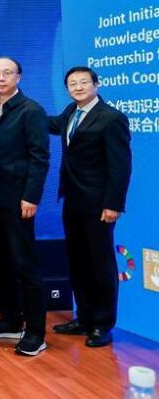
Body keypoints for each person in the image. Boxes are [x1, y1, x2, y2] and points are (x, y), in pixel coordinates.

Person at [49, 66, 131, 348]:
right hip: (72, 200)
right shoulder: (70, 112)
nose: (78, 87)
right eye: (72, 84)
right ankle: (83, 318)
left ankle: (102, 324)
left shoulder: (111, 118)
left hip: (99, 204)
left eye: (84, 82)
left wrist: (113, 204)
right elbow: (50, 125)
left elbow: (120, 166)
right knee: (79, 261)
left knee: (101, 263)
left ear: (96, 84)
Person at [0, 56, 50, 356]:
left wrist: (31, 196)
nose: (1, 78)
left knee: (25, 264)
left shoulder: (31, 110)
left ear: (18, 77)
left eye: (7, 73)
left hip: (18, 200)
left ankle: (35, 332)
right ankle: (10, 320)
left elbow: (39, 157)